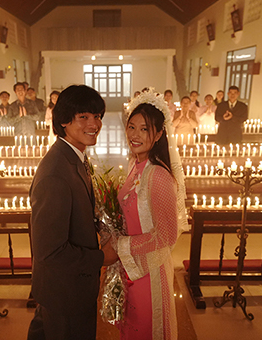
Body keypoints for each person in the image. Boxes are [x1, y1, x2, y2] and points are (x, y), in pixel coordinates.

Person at [27, 84, 117, 340]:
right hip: (64, 293)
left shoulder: (72, 157)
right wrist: (102, 258)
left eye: (97, 116)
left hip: (70, 287)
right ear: (64, 120)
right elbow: (50, 251)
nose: (94, 124)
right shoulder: (55, 174)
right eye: (83, 117)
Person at [115, 89, 189, 340]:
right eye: (131, 127)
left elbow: (167, 236)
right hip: (132, 267)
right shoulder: (135, 165)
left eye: (144, 129)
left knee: (147, 328)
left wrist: (121, 245)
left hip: (150, 272)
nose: (135, 135)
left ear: (158, 134)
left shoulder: (158, 175)